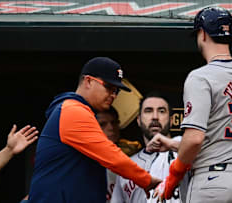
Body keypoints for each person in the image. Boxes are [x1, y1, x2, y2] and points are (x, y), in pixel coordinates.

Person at [154, 7, 232, 203]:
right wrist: (171, 144)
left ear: (202, 34)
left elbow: (195, 139)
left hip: (213, 182)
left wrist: (173, 177)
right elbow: (219, 138)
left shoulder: (200, 77)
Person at [28, 57, 161, 203]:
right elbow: (112, 156)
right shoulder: (73, 110)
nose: (113, 95)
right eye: (108, 87)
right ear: (88, 81)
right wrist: (147, 180)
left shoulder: (78, 110)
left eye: (116, 91)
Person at [111, 91, 187, 203]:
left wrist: (173, 145)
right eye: (148, 111)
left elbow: (204, 151)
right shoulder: (127, 165)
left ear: (171, 120)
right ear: (139, 120)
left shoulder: (186, 152)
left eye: (161, 111)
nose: (155, 117)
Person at [96, 106, 142, 202]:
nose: (111, 128)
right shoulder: (83, 160)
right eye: (102, 124)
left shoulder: (133, 156)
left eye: (114, 123)